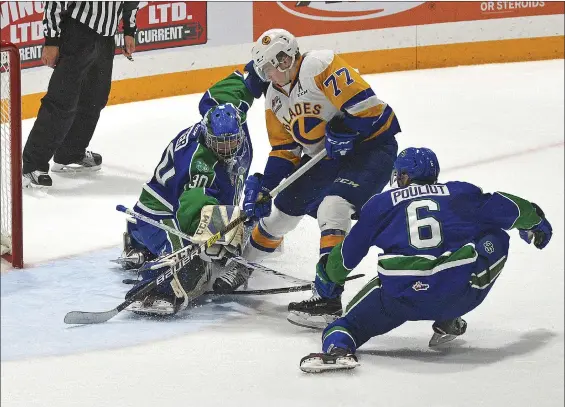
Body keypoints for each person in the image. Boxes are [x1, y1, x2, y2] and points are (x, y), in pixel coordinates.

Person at [298, 147, 553, 373]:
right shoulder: (459, 193)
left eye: (399, 175)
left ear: (405, 176)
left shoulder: (382, 203)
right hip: (459, 293)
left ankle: (338, 350)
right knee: (495, 234)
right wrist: (536, 222)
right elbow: (510, 207)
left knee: (346, 326)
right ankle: (449, 317)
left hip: (400, 297)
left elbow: (346, 257)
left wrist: (326, 283)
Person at [241, 28, 401, 328]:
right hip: (326, 159)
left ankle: (328, 297)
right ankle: (242, 263)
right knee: (282, 212)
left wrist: (349, 129)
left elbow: (375, 112)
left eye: (278, 62)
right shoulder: (273, 99)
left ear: (290, 55)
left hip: (370, 150)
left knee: (333, 207)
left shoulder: (319, 65)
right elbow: (285, 150)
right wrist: (266, 187)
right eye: (267, 69)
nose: (275, 72)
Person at [119, 104, 253, 316]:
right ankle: (153, 290)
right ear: (207, 137)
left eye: (232, 141)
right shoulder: (198, 165)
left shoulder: (237, 134)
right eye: (220, 144)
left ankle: (139, 239)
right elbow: (189, 207)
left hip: (178, 199)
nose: (227, 149)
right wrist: (215, 235)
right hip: (161, 211)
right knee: (189, 262)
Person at [22, 1, 140, 188]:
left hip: (106, 38)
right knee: (61, 100)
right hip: (78, 32)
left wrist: (129, 31)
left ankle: (70, 152)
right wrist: (52, 41)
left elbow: (131, 2)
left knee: (95, 100)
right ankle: (33, 164)